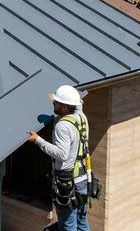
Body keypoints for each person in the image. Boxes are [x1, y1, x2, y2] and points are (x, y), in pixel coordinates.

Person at [28, 85, 90, 231]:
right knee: (82, 222)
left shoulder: (63, 126)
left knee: (68, 226)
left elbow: (62, 154)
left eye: (55, 102)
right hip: (83, 180)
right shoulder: (82, 117)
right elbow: (79, 106)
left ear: (64, 107)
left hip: (68, 183)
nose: (53, 104)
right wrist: (77, 102)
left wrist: (38, 140)